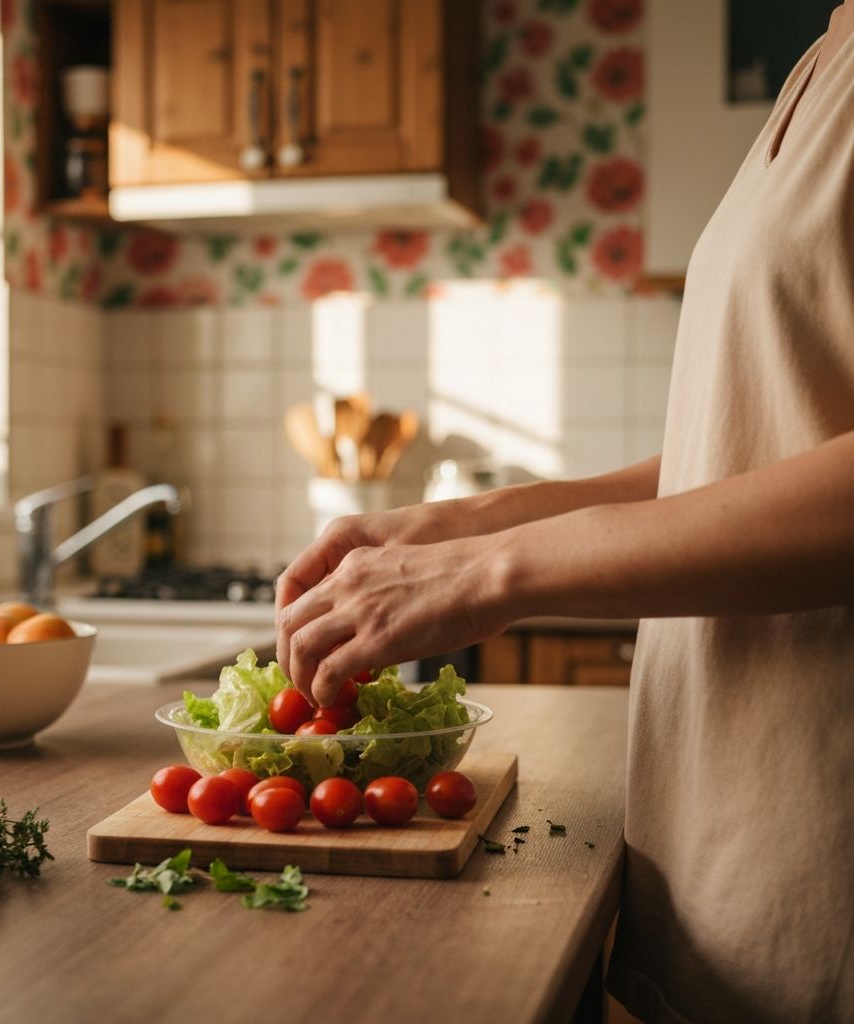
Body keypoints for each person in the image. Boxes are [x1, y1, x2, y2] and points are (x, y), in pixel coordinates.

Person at [274, 6, 854, 1023]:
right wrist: (474, 526)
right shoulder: (828, 49)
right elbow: (763, 443)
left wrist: (492, 574)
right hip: (744, 862)